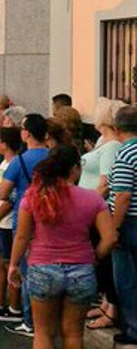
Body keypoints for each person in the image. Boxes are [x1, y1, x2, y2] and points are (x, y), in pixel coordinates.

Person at [8, 145, 117, 349]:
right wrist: (95, 257)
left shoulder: (34, 197)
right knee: (74, 334)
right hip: (81, 269)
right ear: (75, 169)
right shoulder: (92, 198)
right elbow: (110, 237)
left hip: (42, 268)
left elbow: (22, 236)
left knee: (43, 333)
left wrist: (13, 265)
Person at [0, 113, 49, 337]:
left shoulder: (19, 161)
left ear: (26, 133)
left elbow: (3, 192)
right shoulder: (53, 157)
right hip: (51, 214)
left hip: (24, 215)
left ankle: (30, 320)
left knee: (27, 268)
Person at [79, 97, 125, 331]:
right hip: (93, 208)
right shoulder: (102, 141)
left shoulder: (112, 146)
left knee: (106, 261)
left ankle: (113, 310)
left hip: (98, 211)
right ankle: (107, 303)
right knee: (102, 262)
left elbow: (105, 183)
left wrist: (86, 206)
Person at [108, 106, 137, 345]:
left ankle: (134, 329)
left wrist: (113, 228)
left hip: (129, 223)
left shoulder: (126, 154)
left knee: (126, 279)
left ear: (117, 129)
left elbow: (122, 195)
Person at [0, 127, 23, 323]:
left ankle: (14, 305)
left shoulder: (14, 164)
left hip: (5, 222)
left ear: (6, 144)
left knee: (9, 263)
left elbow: (10, 198)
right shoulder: (4, 163)